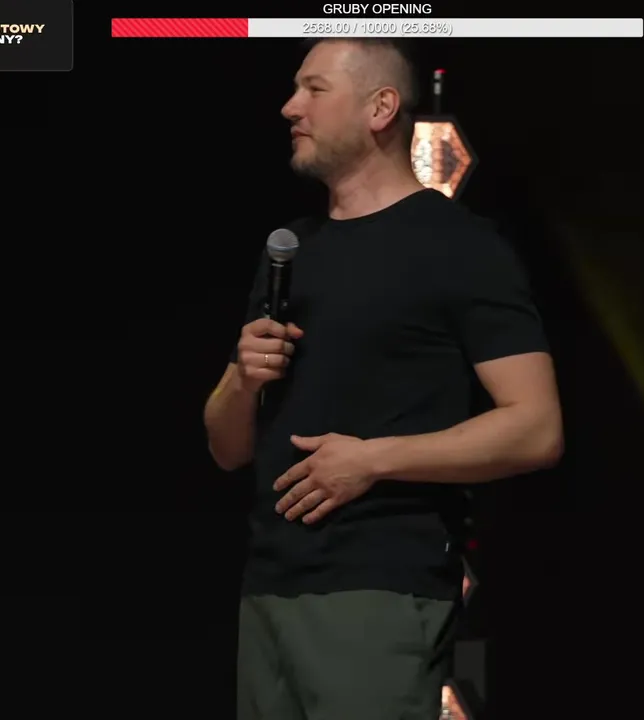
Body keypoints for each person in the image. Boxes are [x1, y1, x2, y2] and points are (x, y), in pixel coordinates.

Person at [203, 37, 564, 720]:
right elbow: (226, 447)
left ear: (381, 108)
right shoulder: (290, 252)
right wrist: (243, 383)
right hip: (269, 588)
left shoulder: (459, 245)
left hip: (378, 587)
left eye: (314, 89)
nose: (289, 107)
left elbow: (536, 428)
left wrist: (371, 460)